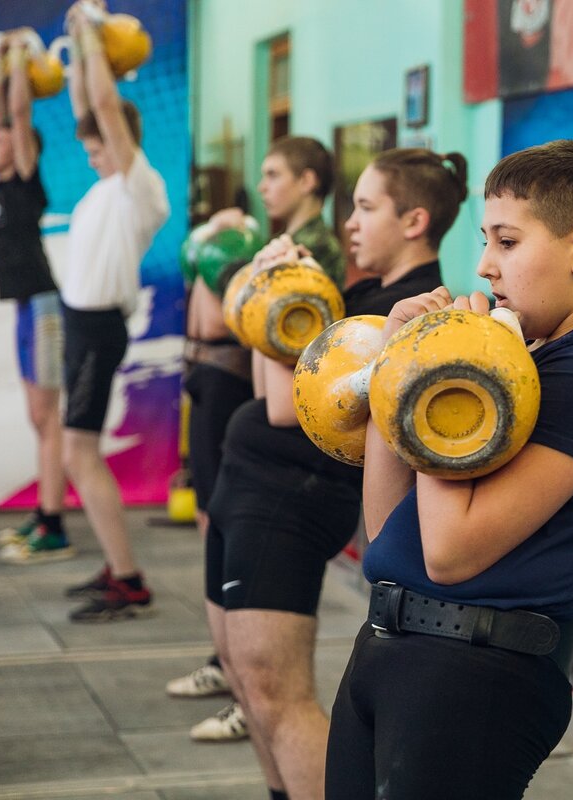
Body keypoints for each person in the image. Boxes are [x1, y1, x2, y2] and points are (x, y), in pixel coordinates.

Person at [325, 139, 573, 800]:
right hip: (391, 646)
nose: (484, 266)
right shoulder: (524, 359)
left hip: (474, 678)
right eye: (486, 240)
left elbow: (452, 553)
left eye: (508, 243)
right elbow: (389, 534)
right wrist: (400, 373)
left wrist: (444, 378)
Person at [206, 147, 468, 800]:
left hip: (289, 502)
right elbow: (285, 391)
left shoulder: (409, 314)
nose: (351, 222)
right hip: (250, 488)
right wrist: (271, 291)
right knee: (246, 680)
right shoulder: (359, 296)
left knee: (275, 692)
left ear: (413, 221)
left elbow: (285, 411)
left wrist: (281, 302)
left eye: (367, 207)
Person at [167, 136, 344, 743]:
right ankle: (232, 669)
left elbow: (244, 330)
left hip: (267, 422)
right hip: (238, 400)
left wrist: (231, 260)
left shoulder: (316, 253)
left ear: (309, 184)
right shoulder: (280, 247)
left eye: (275, 174)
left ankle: (243, 681)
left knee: (224, 531)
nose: (263, 184)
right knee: (212, 522)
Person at [58, 4, 170, 622]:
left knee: (79, 452)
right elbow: (88, 103)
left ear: (118, 142)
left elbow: (102, 105)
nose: (92, 155)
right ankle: (115, 562)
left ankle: (129, 579)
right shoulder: (105, 187)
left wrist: (94, 29)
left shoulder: (139, 186)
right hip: (81, 327)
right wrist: (78, 36)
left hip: (98, 330)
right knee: (78, 449)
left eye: (99, 147)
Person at [0, 31, 68, 562]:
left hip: (43, 306)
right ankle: (42, 515)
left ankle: (53, 525)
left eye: (2, 140)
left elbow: (15, 108)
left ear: (22, 147)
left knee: (48, 417)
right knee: (40, 418)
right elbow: (0, 110)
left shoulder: (25, 184)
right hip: (24, 308)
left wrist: (16, 55)